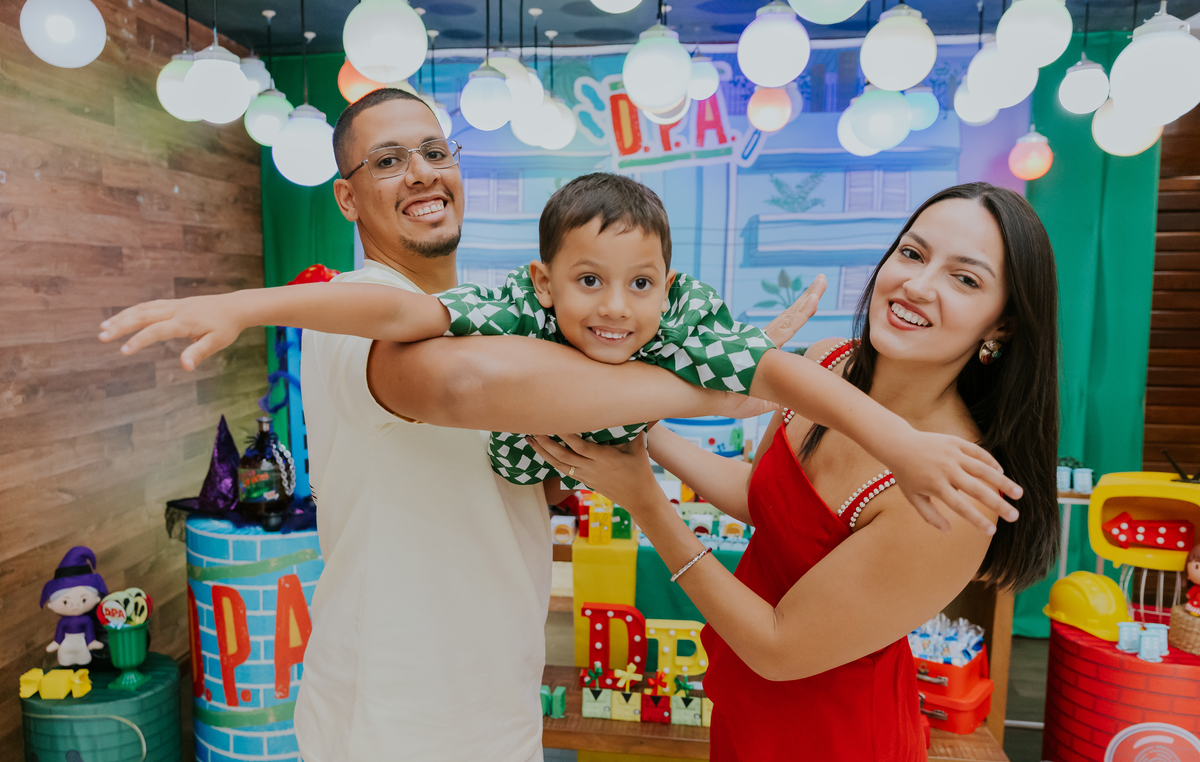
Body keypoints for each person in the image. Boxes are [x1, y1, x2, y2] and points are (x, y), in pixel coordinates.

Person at [98, 88, 800, 762]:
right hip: (396, 731)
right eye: (388, 160)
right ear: (346, 199)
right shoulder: (358, 312)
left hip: (497, 713)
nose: (422, 172)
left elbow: (520, 452)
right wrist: (720, 390)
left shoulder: (465, 315)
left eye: (435, 151)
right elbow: (463, 385)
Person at [103, 172, 1021, 532]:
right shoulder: (513, 299)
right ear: (544, 281)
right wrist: (243, 306)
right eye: (589, 283)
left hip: (571, 477)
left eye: (640, 285)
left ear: (668, 281)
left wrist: (903, 446)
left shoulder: (680, 314)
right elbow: (394, 309)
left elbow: (774, 378)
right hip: (510, 477)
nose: (616, 310)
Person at [527, 182, 1062, 762]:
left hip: (834, 748)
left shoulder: (954, 492)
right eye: (912, 254)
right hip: (744, 713)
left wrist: (648, 504)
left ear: (1004, 324)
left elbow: (779, 647)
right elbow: (766, 497)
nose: (918, 285)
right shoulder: (827, 362)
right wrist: (642, 435)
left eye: (965, 279)